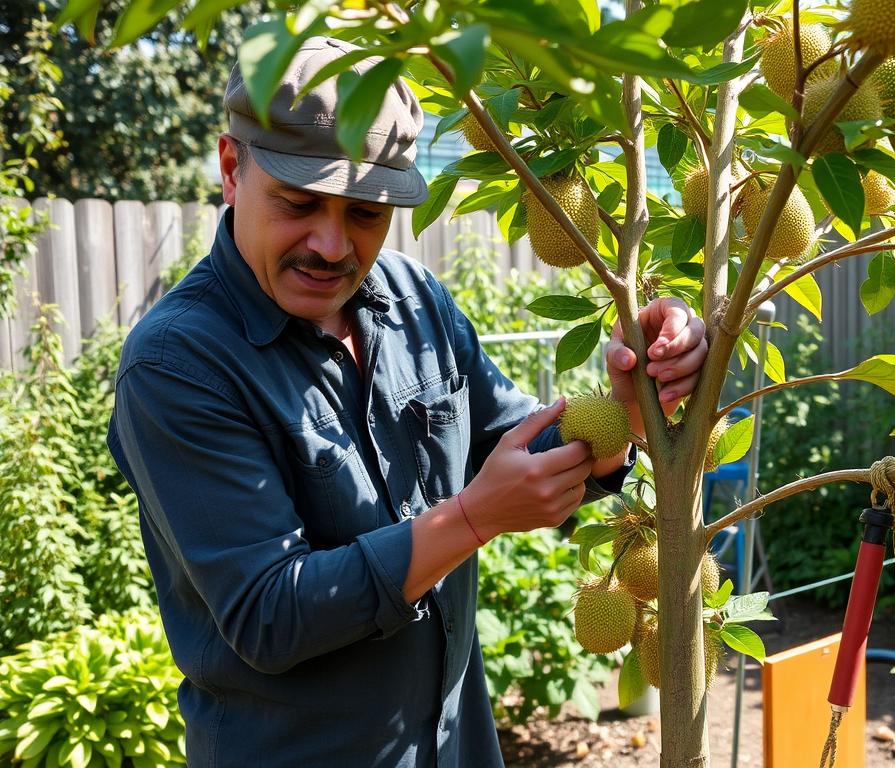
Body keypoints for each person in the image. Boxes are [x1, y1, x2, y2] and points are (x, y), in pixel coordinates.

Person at [107, 35, 707, 768]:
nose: (331, 245)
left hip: (456, 745)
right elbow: (269, 614)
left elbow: (511, 443)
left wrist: (624, 415)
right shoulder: (180, 362)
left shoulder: (412, 298)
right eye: (299, 204)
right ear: (233, 170)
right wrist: (473, 517)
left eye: (364, 214)